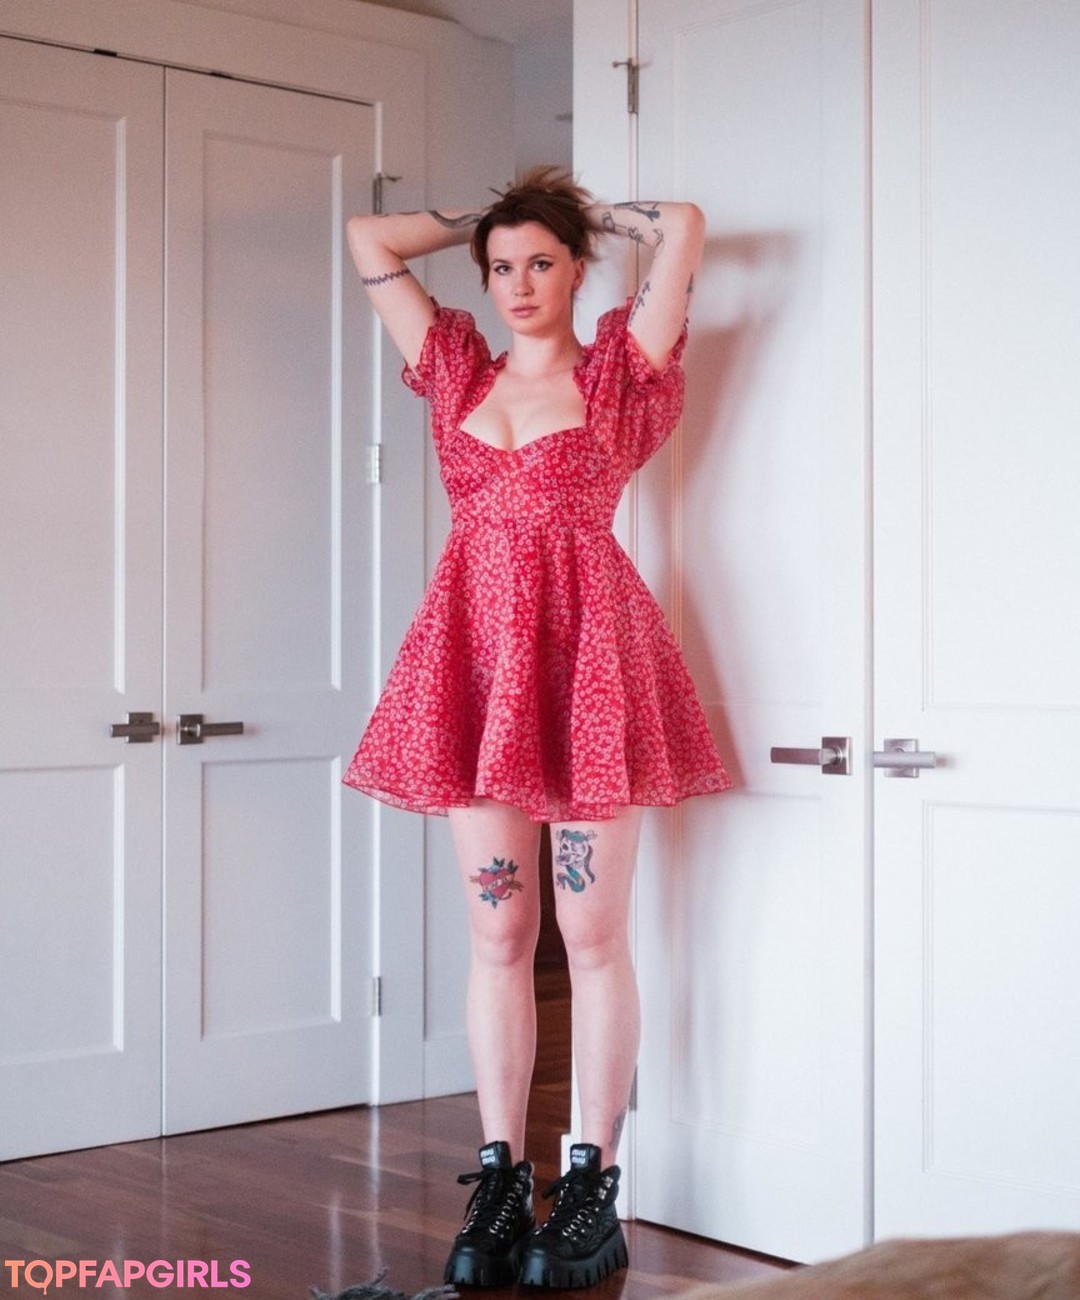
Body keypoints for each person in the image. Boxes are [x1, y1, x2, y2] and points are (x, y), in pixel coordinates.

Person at [343, 168, 731, 1290]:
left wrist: (571, 209)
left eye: (542, 263)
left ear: (575, 270)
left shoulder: (617, 375)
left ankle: (592, 1185)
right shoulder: (455, 370)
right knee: (499, 936)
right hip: (474, 669)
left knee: (593, 934)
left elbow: (685, 227)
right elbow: (369, 237)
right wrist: (494, 213)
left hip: (589, 666)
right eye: (503, 267)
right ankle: (503, 1178)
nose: (519, 284)